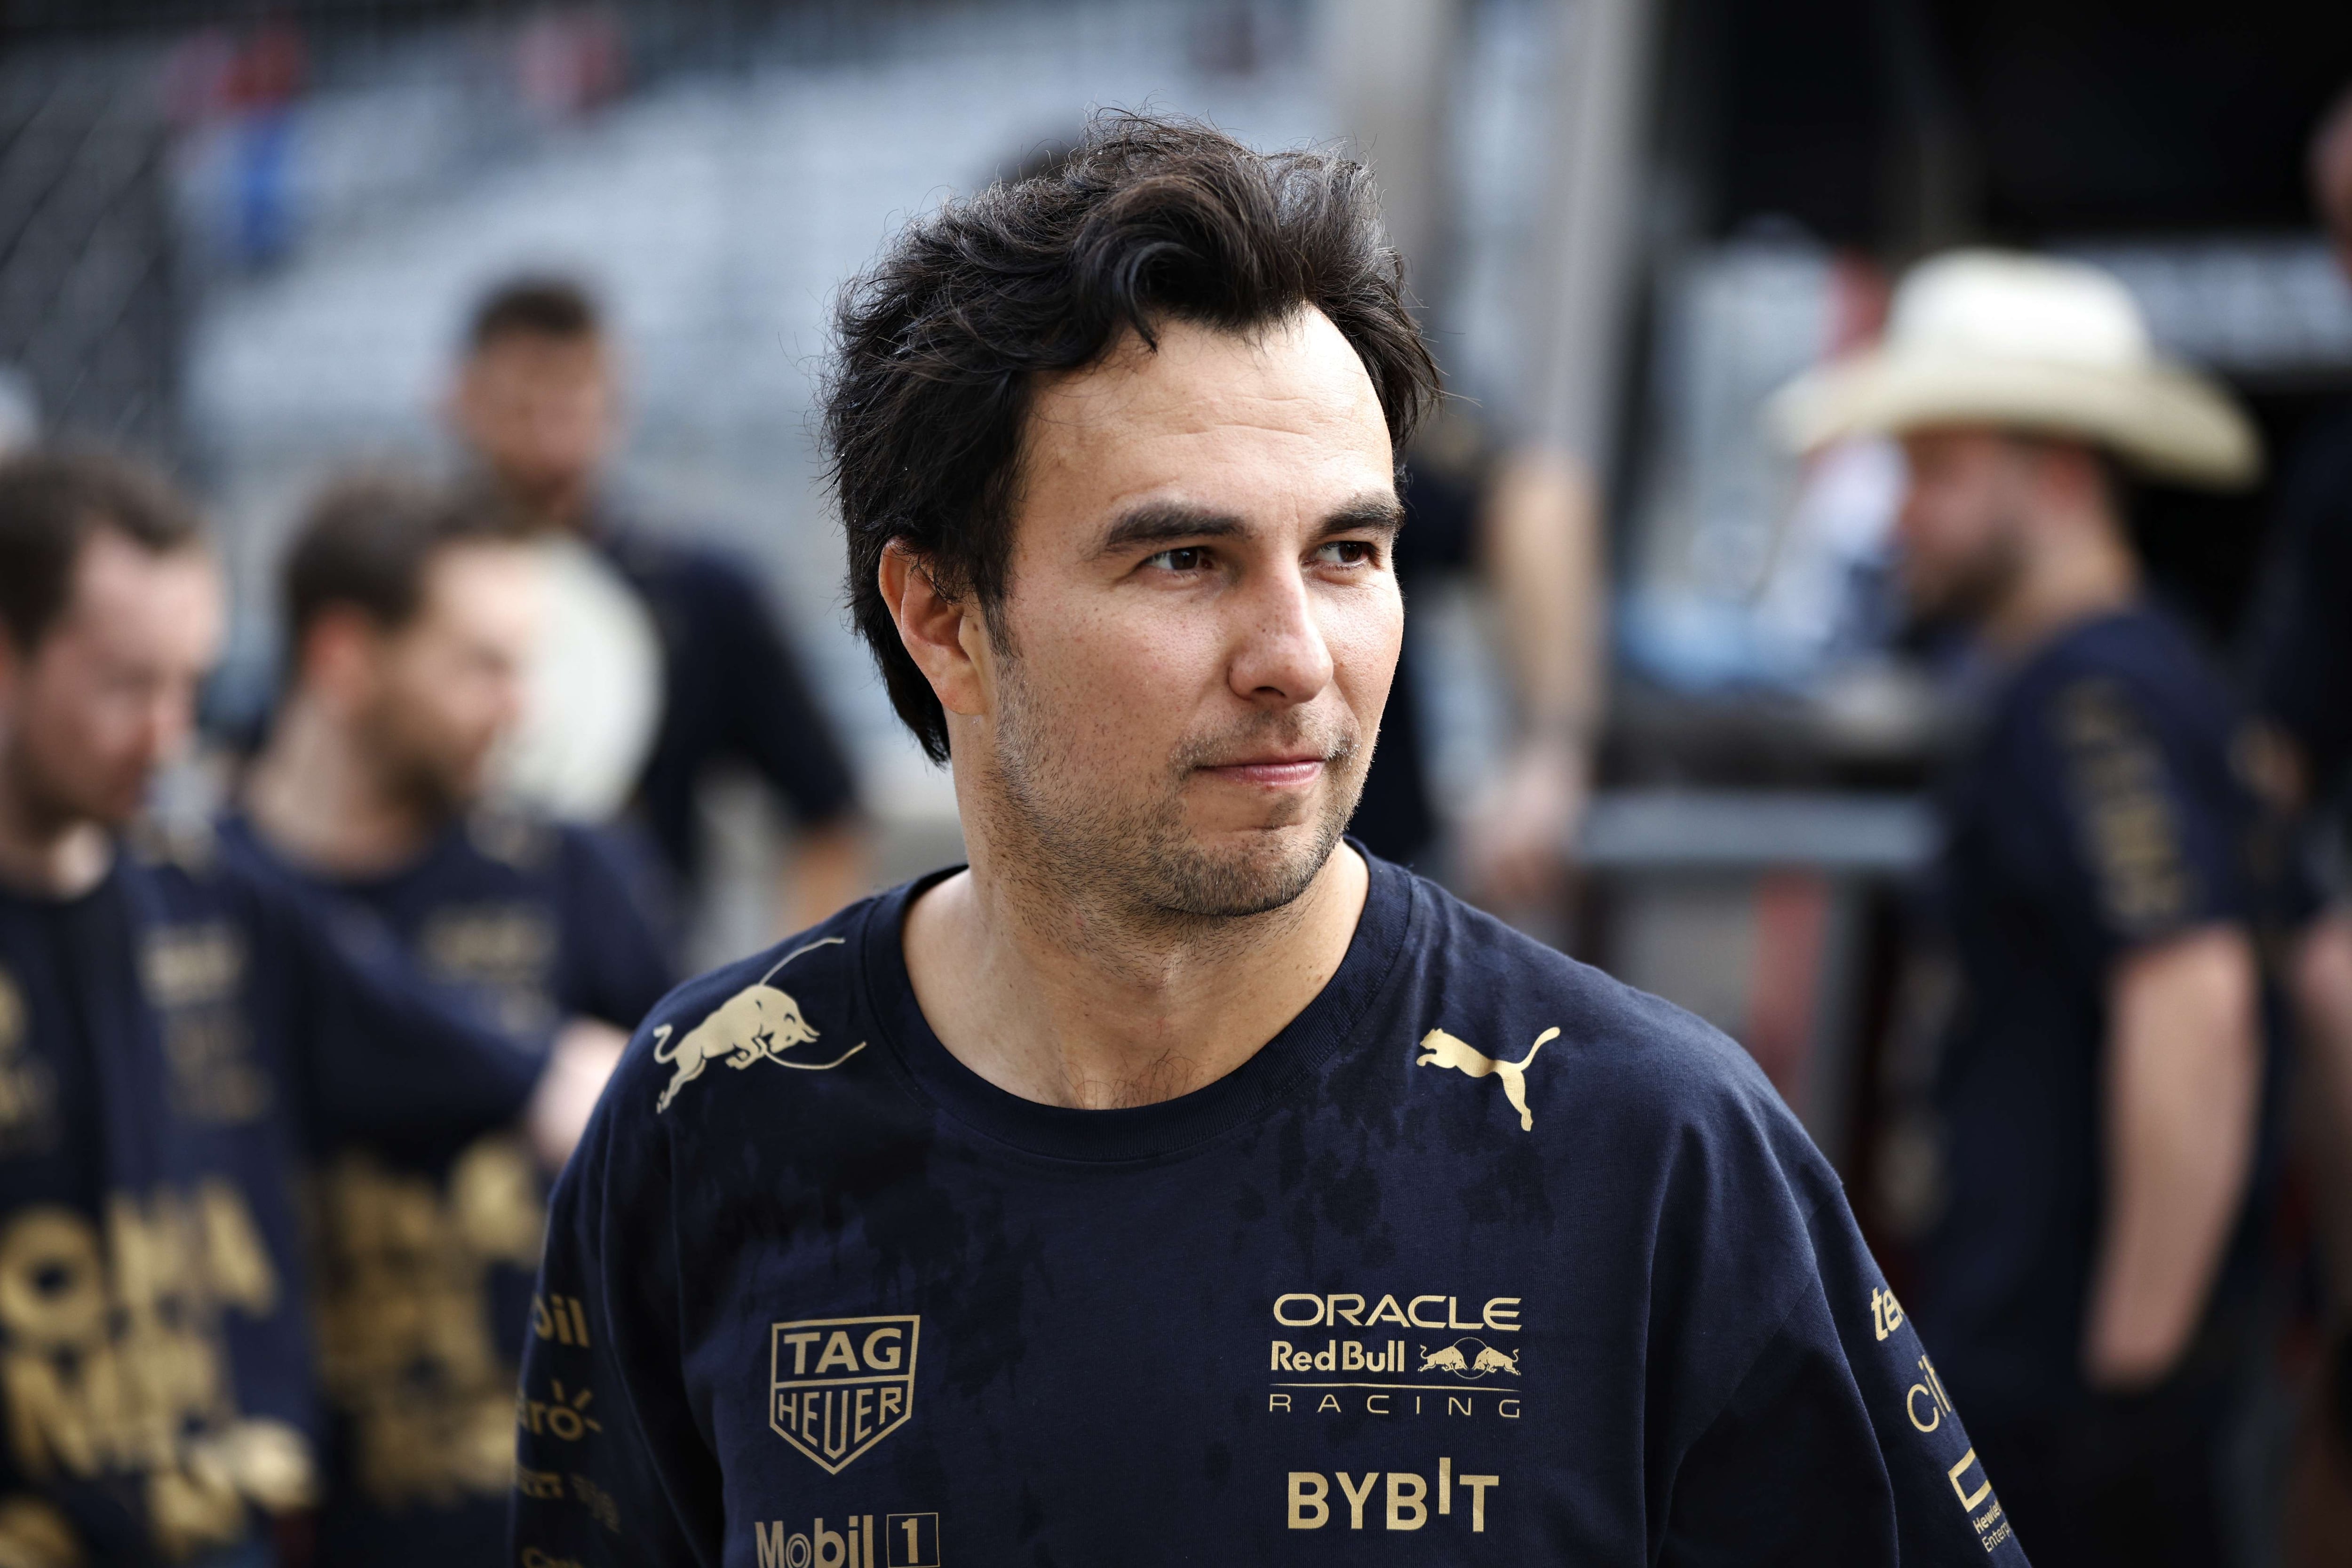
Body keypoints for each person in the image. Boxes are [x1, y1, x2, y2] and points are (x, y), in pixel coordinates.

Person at [513, 113, 2026, 1566]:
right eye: (1186, 558)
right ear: (942, 618)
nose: (1297, 655)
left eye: (1349, 552)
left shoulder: (1657, 1145)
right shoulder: (704, 1117)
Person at [0, 450, 596, 1564]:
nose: (169, 732)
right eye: (128, 685)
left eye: (193, 684)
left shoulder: (217, 901)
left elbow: (547, 1077)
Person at [1773, 250, 2275, 1566]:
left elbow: (2194, 1002)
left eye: (1936, 474)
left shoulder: (2092, 694)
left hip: (2069, 1398)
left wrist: (2133, 1380)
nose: (1899, 519)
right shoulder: (2106, 680)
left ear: (2057, 476)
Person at [224, 478, 674, 1565]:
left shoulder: (570, 871)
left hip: (551, 1518)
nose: (517, 705)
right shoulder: (195, 897)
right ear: (345, 659)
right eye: (480, 664)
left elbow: (687, 1156)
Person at [445, 277, 867, 936]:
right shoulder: (397, 587)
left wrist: (795, 995)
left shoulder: (699, 592)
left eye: (572, 398)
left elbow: (827, 808)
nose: (550, 433)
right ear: (462, 398)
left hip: (633, 1003)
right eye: (523, 401)